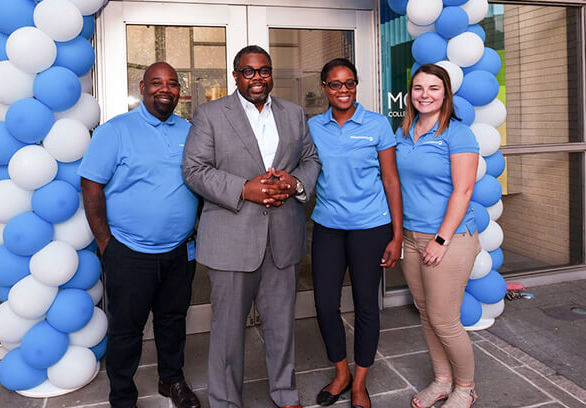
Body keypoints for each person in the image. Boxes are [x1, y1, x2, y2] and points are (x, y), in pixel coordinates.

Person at [182, 45, 321, 408]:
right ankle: (225, 401)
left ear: (271, 74)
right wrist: (244, 189)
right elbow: (194, 170)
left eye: (264, 71)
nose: (257, 78)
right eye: (248, 71)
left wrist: (295, 184)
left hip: (283, 239)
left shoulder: (293, 114)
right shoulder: (210, 114)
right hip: (232, 239)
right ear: (235, 75)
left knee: (281, 327)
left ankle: (285, 392)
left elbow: (310, 159)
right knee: (227, 332)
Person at [79, 62, 201, 408]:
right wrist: (106, 244)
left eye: (173, 84)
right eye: (157, 83)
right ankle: (122, 396)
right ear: (143, 86)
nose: (166, 89)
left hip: (179, 252)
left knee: (173, 322)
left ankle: (172, 380)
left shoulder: (190, 131)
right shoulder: (116, 131)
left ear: (180, 90)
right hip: (129, 253)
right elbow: (91, 186)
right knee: (126, 331)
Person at [308, 59, 403, 408]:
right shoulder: (313, 126)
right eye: (335, 84)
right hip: (328, 226)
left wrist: (396, 235)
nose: (343, 89)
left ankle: (360, 382)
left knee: (366, 305)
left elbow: (391, 180)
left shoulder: (377, 124)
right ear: (324, 89)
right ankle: (341, 373)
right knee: (324, 305)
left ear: (356, 86)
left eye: (349, 83)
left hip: (370, 227)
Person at [395, 64, 481, 408]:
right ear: (410, 93)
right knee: (427, 313)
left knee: (445, 319)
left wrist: (441, 240)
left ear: (445, 93)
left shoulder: (458, 134)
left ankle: (466, 387)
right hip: (412, 238)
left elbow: (463, 190)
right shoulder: (404, 131)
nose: (425, 95)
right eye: (418, 88)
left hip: (451, 238)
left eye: (433, 88)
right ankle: (443, 380)